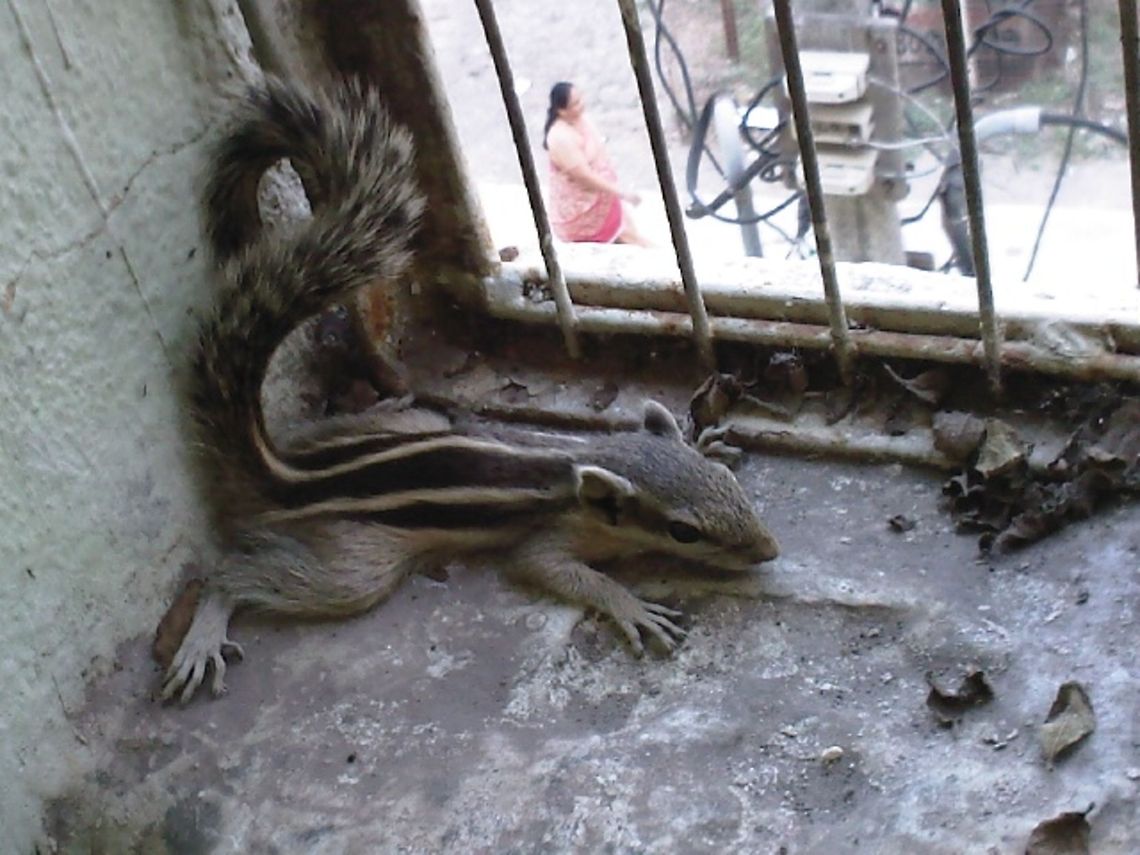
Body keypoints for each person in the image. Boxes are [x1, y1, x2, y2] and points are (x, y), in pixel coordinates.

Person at [543, 82, 651, 246]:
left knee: (629, 230)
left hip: (603, 194)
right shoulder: (560, 137)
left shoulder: (581, 120)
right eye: (576, 103)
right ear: (561, 111)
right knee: (629, 237)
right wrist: (622, 193)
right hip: (583, 209)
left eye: (581, 99)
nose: (582, 105)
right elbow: (584, 177)